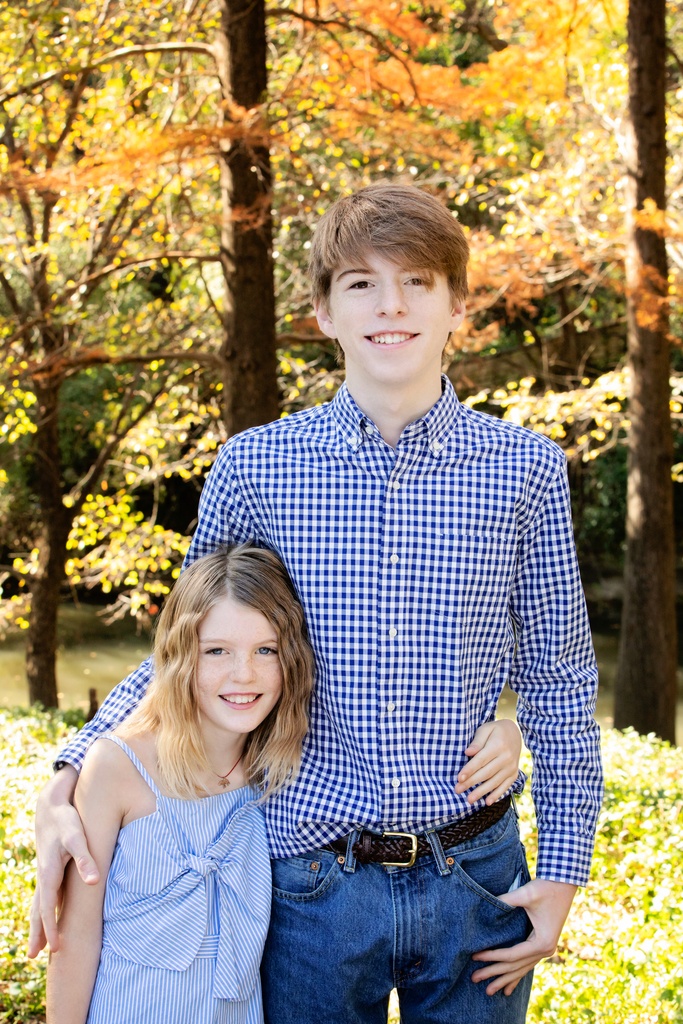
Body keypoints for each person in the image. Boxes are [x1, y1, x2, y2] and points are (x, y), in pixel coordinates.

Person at [33, 182, 602, 1024]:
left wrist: (560, 873)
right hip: (310, 885)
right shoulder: (255, 468)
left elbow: (557, 680)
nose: (391, 306)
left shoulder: (525, 470)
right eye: (361, 284)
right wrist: (68, 777)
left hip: (477, 877)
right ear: (324, 311)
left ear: (458, 306)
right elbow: (187, 657)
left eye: (416, 281)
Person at [46, 543, 316, 1024]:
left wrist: (501, 729)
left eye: (266, 650)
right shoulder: (117, 766)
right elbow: (75, 939)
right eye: (216, 651)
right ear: (177, 656)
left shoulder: (275, 772)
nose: (244, 674)